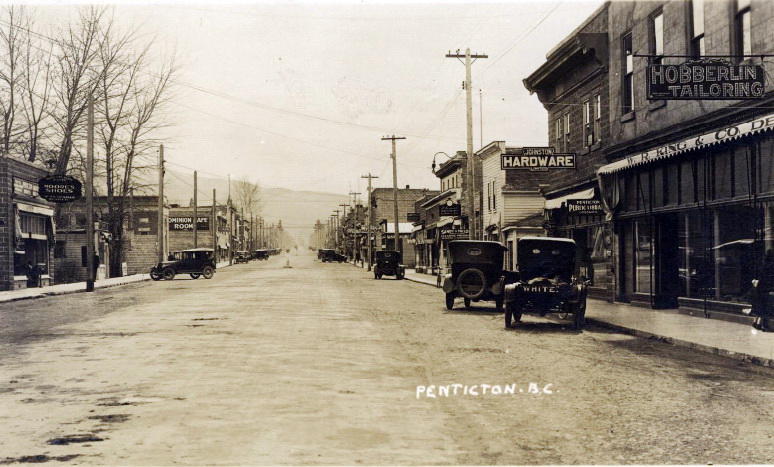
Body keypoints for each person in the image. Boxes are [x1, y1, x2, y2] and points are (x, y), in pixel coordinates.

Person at [749, 249, 774, 332]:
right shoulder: (771, 266)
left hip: (760, 289)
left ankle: (756, 323)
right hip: (767, 289)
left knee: (760, 306)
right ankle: (764, 326)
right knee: (766, 308)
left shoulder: (763, 265)